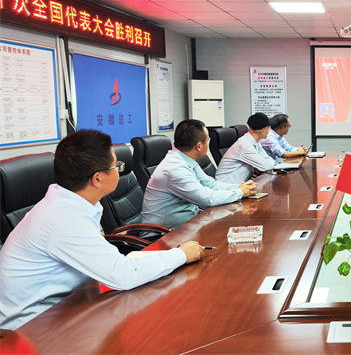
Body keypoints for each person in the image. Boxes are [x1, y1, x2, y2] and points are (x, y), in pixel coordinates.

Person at [0, 130, 204, 331]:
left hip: (68, 305)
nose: (119, 171)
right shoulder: (66, 220)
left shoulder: (71, 203)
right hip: (32, 327)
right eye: (116, 166)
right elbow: (122, 274)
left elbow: (112, 265)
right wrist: (181, 255)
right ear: (97, 179)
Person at [142, 119, 256, 230]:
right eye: (207, 140)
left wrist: (243, 187)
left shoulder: (185, 160)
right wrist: (240, 192)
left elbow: (211, 184)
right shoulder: (175, 169)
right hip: (164, 235)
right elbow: (208, 199)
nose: (208, 143)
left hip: (187, 226)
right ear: (199, 146)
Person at [216, 113, 277, 183]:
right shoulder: (245, 145)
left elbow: (268, 160)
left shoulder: (255, 142)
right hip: (228, 185)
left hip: (240, 183)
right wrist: (265, 165)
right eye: (268, 128)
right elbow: (267, 166)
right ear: (262, 131)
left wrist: (266, 165)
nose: (269, 131)